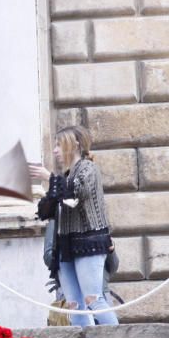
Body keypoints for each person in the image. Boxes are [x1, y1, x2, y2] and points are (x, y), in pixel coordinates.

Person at [31, 125, 118, 326]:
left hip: (88, 242)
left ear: (76, 144)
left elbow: (79, 192)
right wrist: (52, 189)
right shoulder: (66, 175)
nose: (54, 150)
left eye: (59, 145)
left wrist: (50, 179)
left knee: (93, 299)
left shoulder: (88, 168)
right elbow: (45, 211)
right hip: (66, 246)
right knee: (74, 304)